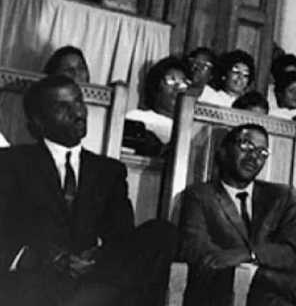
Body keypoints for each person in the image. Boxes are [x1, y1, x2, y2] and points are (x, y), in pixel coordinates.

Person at [0, 74, 176, 305]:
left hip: (94, 280)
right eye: (62, 106)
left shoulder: (109, 171)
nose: (78, 113)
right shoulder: (11, 164)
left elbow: (121, 237)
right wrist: (44, 257)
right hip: (37, 279)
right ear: (38, 122)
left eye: (79, 102)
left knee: (162, 232)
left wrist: (97, 257)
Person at [177, 123, 296, 306]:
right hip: (225, 289)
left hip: (276, 290)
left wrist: (248, 255)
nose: (253, 157)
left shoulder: (282, 196)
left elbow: (292, 250)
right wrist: (249, 271)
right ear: (223, 151)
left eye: (262, 152)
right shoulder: (200, 196)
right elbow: (196, 248)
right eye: (246, 146)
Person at [124, 56, 190, 153]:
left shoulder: (189, 128)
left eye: (183, 83)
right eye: (171, 80)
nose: (177, 88)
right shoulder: (136, 117)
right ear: (156, 84)